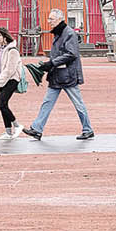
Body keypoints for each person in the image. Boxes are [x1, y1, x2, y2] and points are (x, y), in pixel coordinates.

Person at [23, 9, 95, 141]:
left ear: (59, 20)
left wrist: (51, 63)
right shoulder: (60, 33)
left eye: (51, 19)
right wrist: (50, 64)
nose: (49, 21)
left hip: (67, 75)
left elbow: (71, 54)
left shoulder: (69, 33)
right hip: (58, 75)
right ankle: (37, 129)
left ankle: (88, 129)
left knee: (78, 103)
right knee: (47, 102)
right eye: (49, 19)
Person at [0, 27, 24, 140]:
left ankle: (17, 125)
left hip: (11, 80)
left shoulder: (12, 50)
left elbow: (10, 70)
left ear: (4, 37)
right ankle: (8, 132)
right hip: (1, 80)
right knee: (4, 105)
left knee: (1, 104)